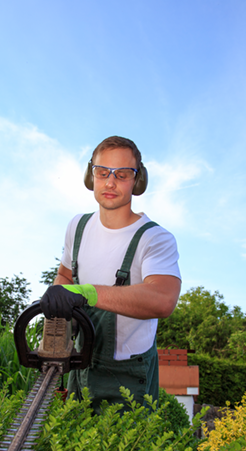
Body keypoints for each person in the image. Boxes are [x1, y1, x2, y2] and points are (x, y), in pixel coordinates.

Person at [40, 136, 181, 412]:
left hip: (129, 376)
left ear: (138, 181)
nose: (110, 182)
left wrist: (88, 293)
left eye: (123, 174)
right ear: (90, 176)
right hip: (81, 364)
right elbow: (66, 276)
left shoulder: (155, 238)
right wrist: (59, 306)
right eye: (102, 172)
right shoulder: (77, 227)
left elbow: (163, 299)